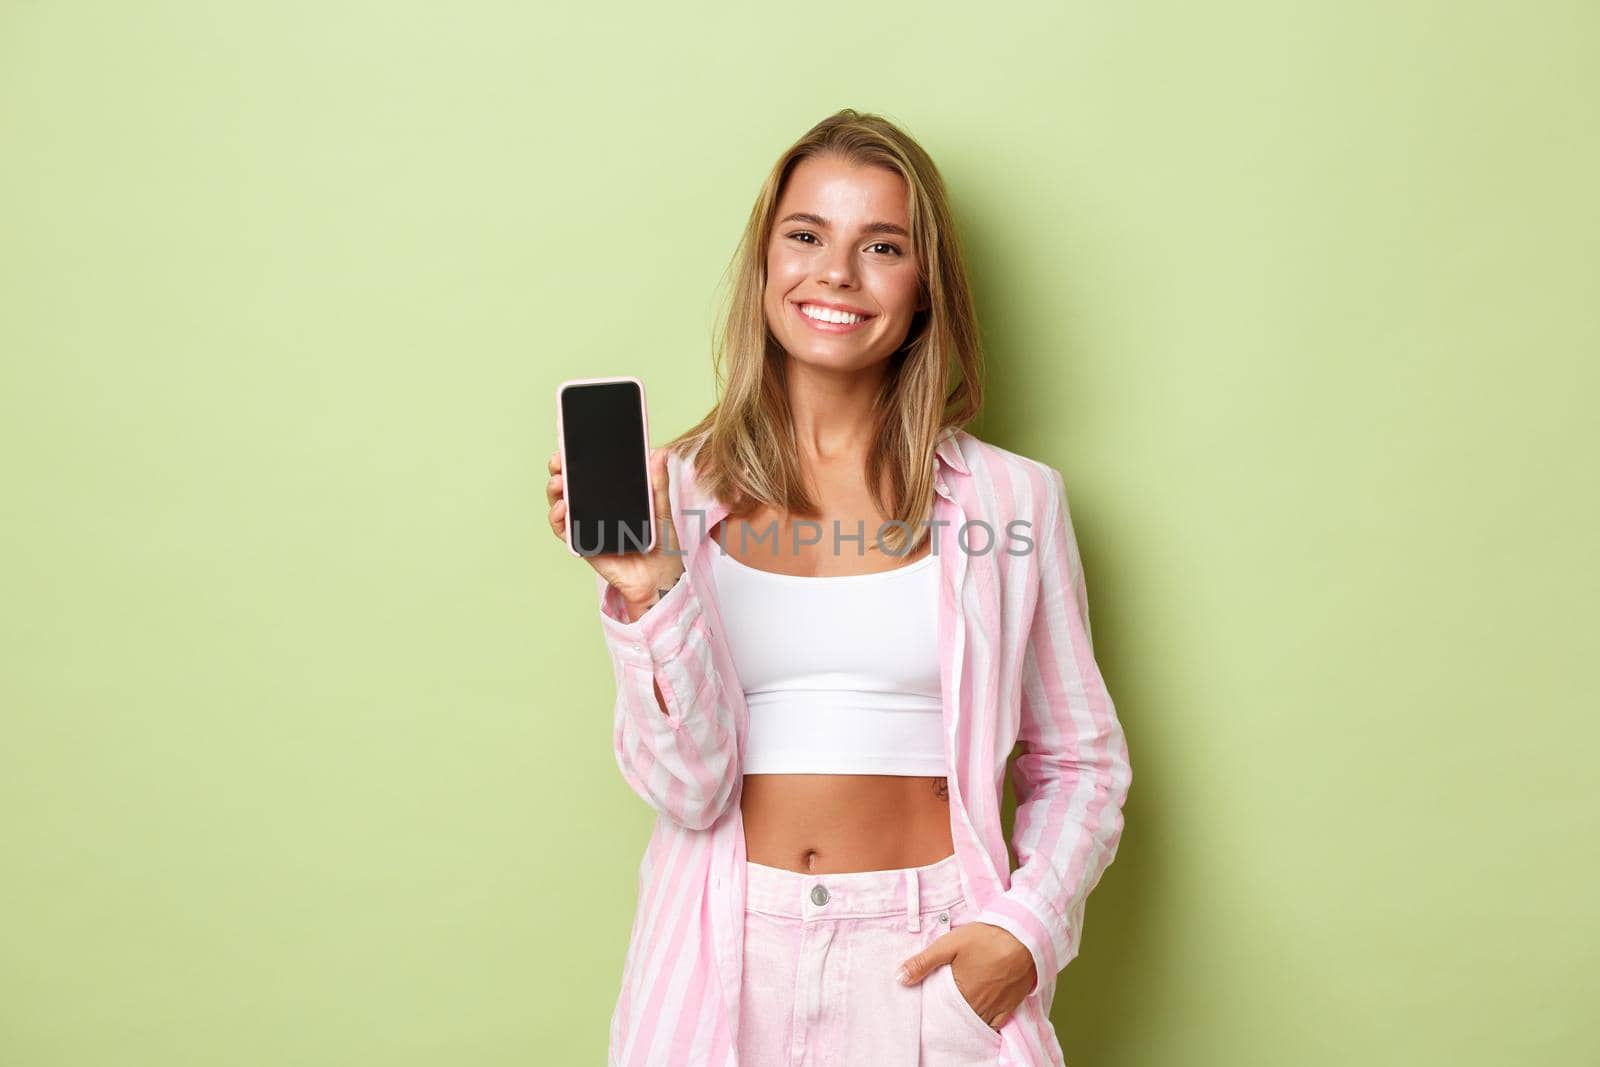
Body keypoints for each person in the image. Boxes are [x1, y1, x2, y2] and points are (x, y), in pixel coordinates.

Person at [545, 108, 1132, 1067]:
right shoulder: (675, 497)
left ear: (925, 287)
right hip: (723, 954)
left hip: (927, 957)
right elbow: (687, 789)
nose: (837, 274)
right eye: (807, 235)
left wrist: (1022, 935)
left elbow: (1081, 765)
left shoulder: (1011, 500)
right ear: (766, 263)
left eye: (883, 246)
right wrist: (651, 588)